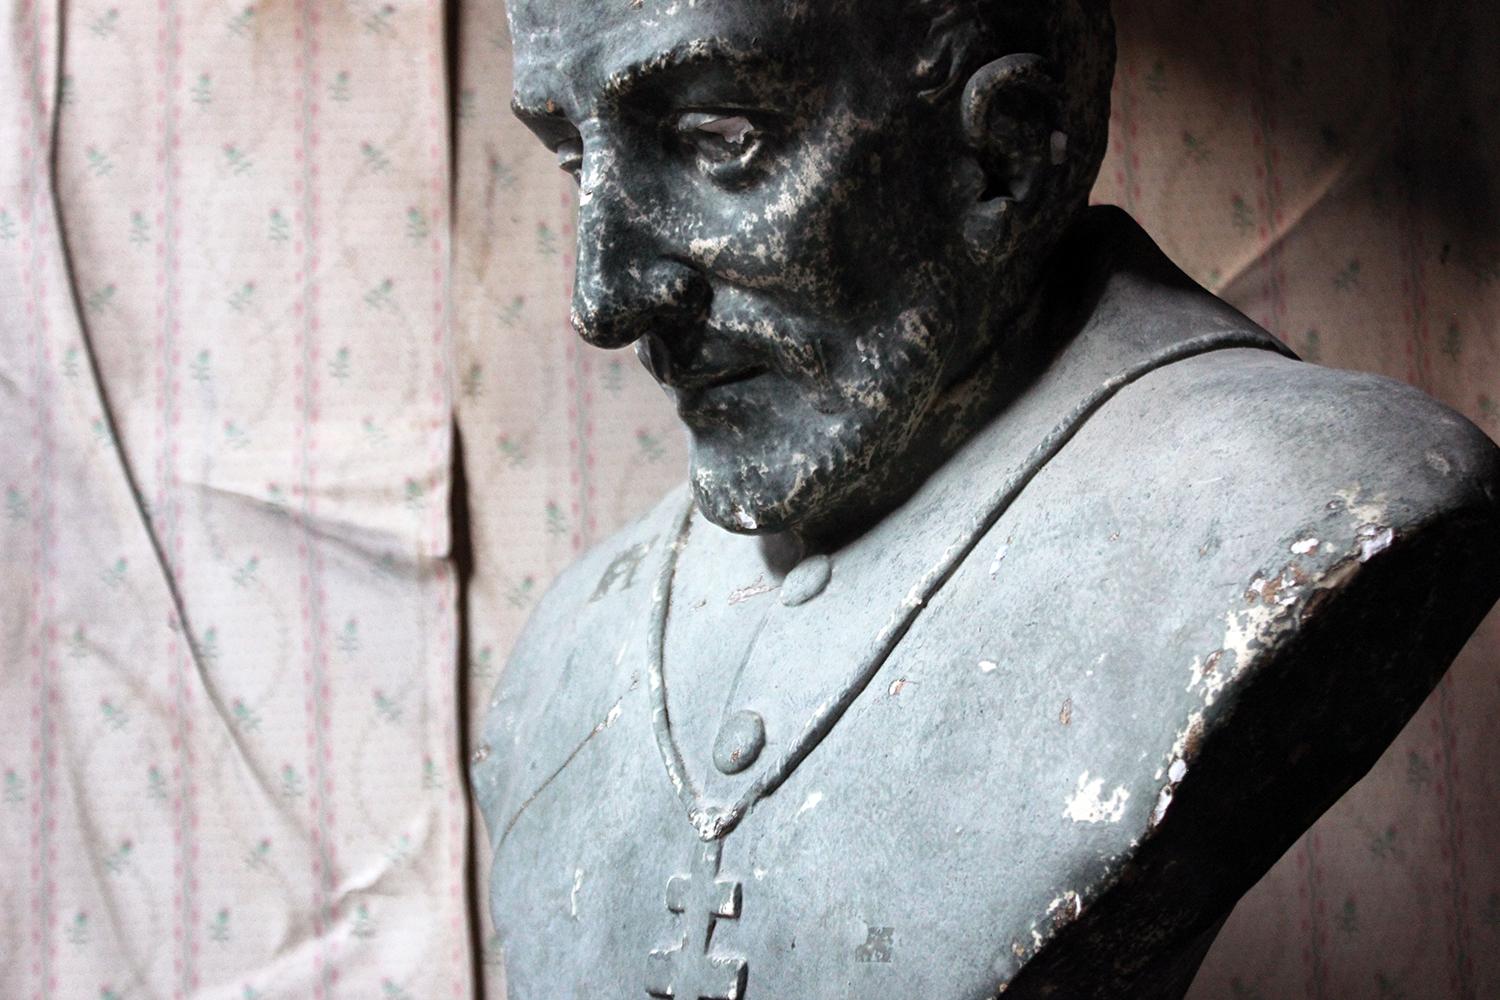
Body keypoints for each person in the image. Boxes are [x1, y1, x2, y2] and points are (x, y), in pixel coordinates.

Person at [473, 2, 1500, 997]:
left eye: (717, 138)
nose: (599, 300)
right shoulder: (566, 650)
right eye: (573, 160)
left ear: (1006, 151)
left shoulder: (1307, 502)